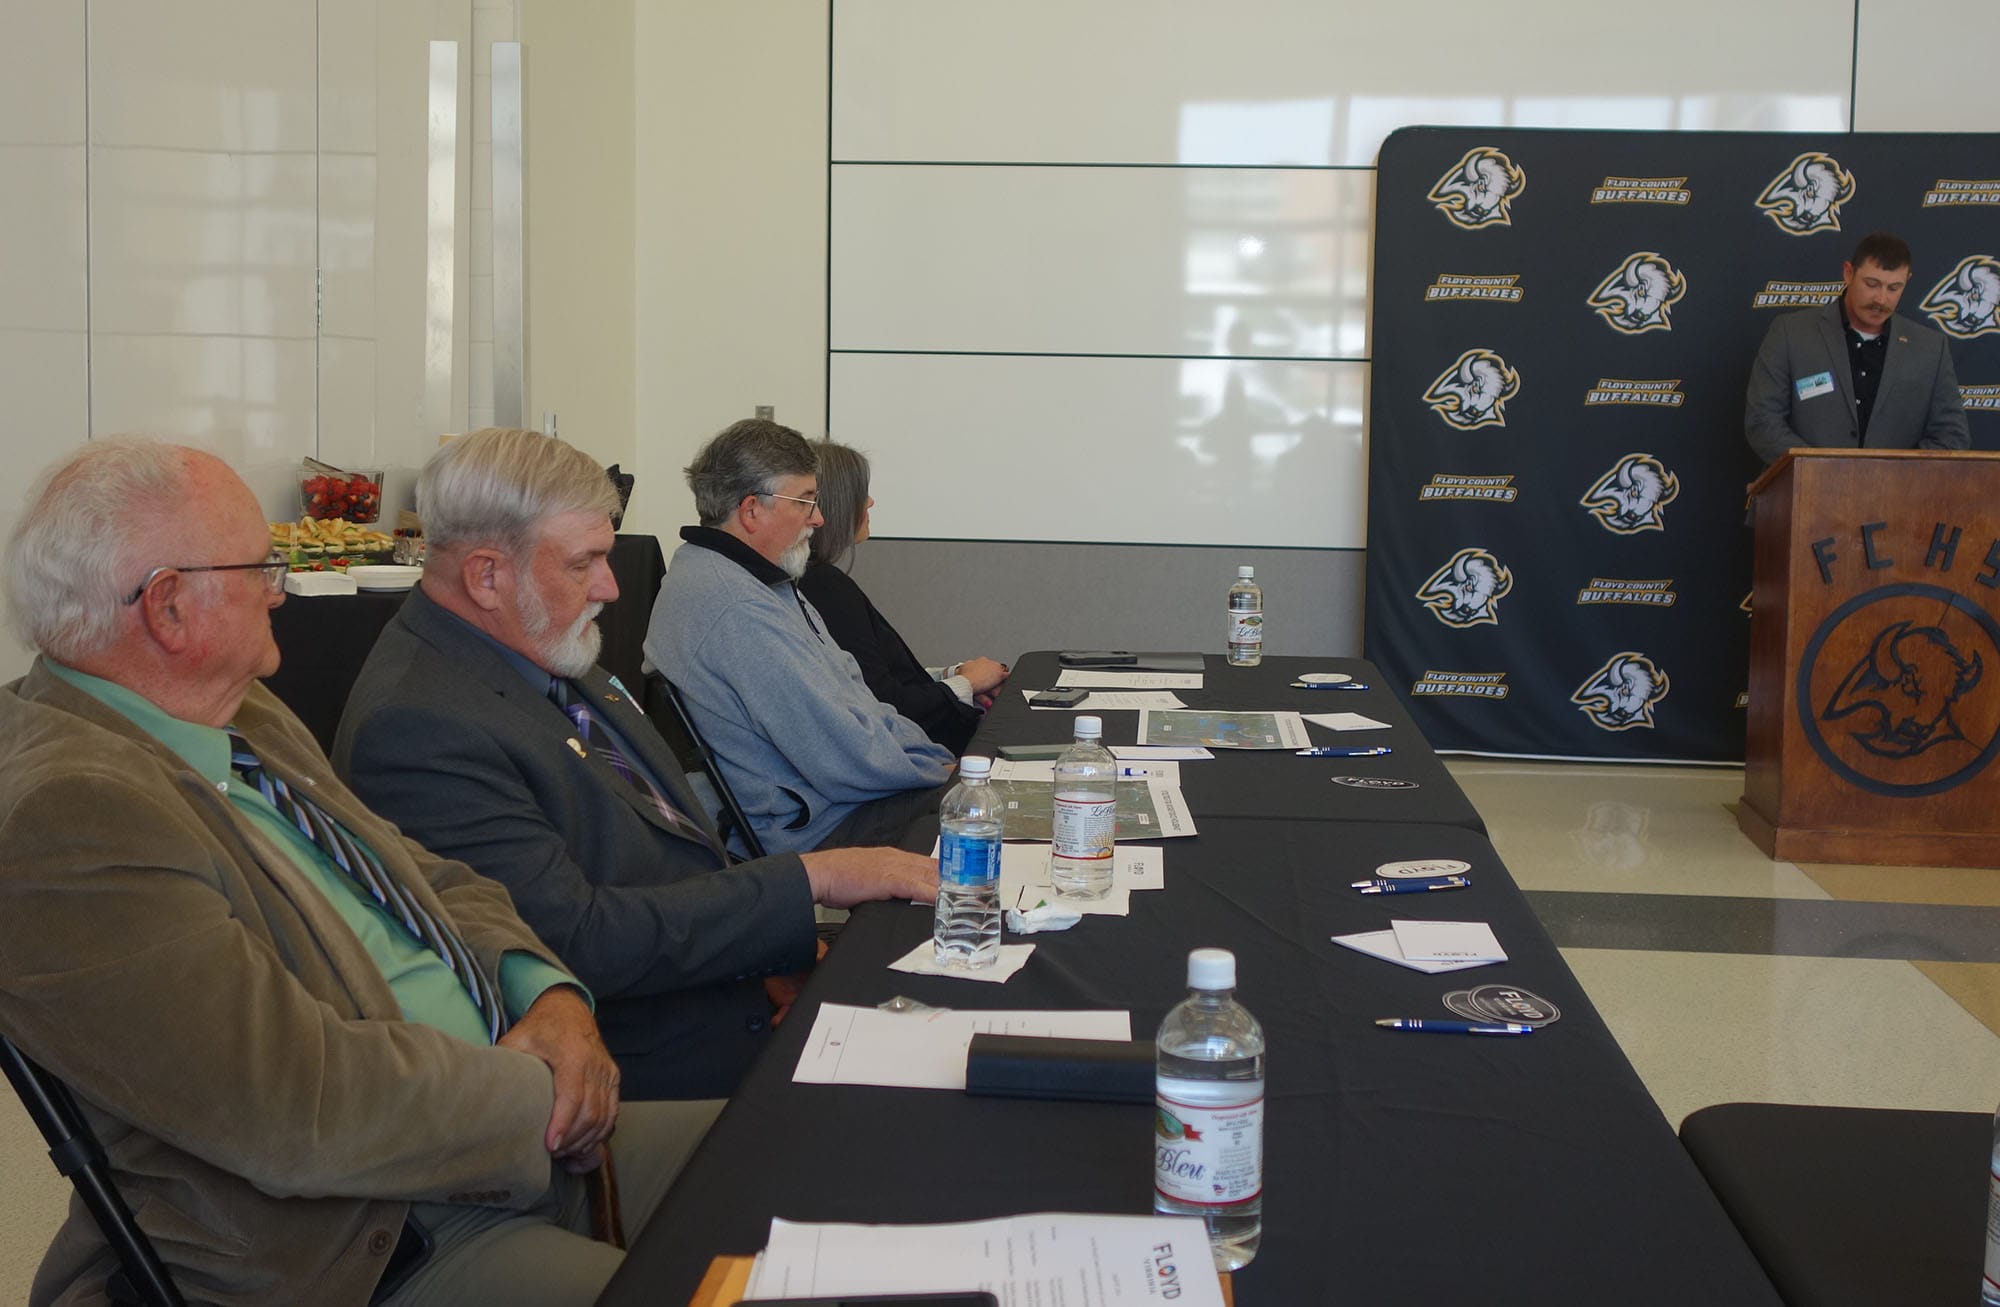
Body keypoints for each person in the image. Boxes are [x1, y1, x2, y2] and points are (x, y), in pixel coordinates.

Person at [0, 439, 714, 1306]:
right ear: (169, 607)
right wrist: (541, 1095)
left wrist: (551, 996)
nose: (280, 590)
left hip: (493, 1125)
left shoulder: (237, 709)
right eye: (261, 568)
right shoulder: (68, 813)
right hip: (372, 1239)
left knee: (796, 1145)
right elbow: (294, 1105)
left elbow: (426, 876)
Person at [334, 428, 938, 1100]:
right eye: (583, 563)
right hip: (649, 1062)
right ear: (486, 575)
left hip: (723, 989)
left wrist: (764, 951)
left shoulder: (543, 652)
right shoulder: (419, 729)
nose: (610, 586)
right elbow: (573, 940)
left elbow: (668, 846)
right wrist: (812, 878)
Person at [646, 419, 955, 854]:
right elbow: (842, 755)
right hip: (814, 826)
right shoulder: (738, 608)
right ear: (752, 510)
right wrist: (940, 771)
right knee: (987, 813)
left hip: (833, 802)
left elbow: (857, 696)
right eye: (805, 501)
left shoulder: (750, 579)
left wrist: (932, 759)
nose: (819, 518)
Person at [797, 441, 1010, 754]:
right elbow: (885, 704)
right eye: (861, 493)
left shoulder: (816, 582)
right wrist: (967, 685)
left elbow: (881, 680)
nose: (870, 502)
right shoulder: (825, 587)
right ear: (839, 505)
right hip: (925, 755)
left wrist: (956, 678)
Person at [1745, 230, 1970, 467]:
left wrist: (1892, 476)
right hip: (1808, 487)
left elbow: (1952, 435)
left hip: (1896, 490)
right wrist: (1820, 471)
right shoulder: (1791, 333)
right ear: (1848, 273)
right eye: (1872, 284)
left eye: (1894, 288)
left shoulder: (1931, 348)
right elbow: (1763, 422)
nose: (1881, 299)